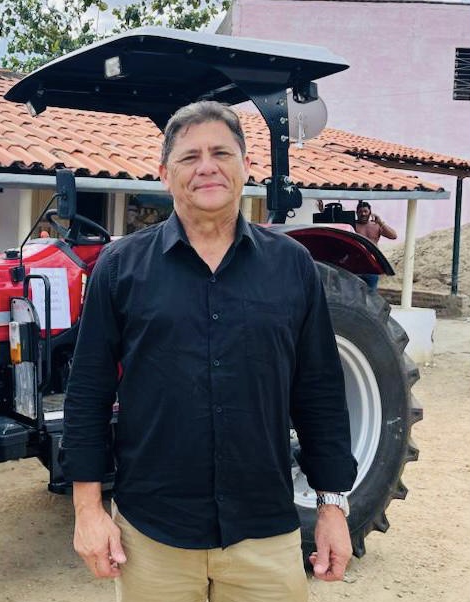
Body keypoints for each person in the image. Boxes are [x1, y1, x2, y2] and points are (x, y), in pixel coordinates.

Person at [62, 100, 357, 602]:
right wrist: (88, 510)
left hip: (264, 531)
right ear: (163, 174)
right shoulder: (120, 268)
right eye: (189, 156)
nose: (207, 166)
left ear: (246, 166)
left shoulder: (293, 267)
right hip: (153, 534)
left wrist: (332, 505)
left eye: (221, 152)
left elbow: (320, 394)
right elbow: (88, 392)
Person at [354, 201, 397, 291]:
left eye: (365, 211)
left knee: (371, 294)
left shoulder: (376, 226)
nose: (363, 214)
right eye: (360, 211)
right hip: (356, 265)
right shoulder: (353, 225)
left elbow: (393, 236)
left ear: (370, 212)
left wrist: (381, 222)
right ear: (357, 212)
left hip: (372, 265)